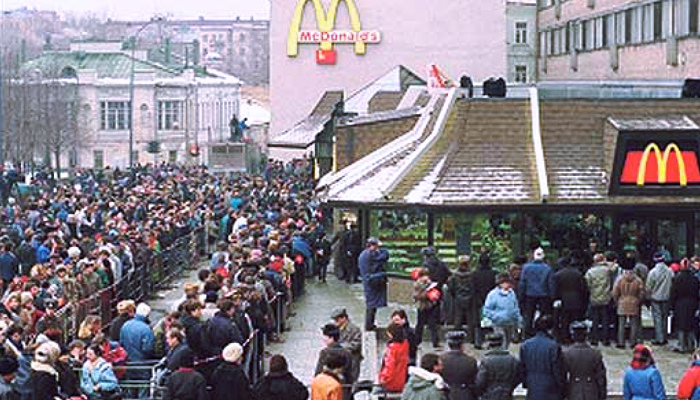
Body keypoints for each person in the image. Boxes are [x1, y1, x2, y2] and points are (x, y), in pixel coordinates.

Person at [519, 315, 566, 400]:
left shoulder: (525, 345)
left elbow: (522, 368)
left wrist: (526, 383)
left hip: (532, 386)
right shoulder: (554, 346)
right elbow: (558, 371)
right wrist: (562, 387)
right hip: (551, 389)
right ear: (550, 329)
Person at [562, 322, 606, 400]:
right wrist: (602, 394)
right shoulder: (595, 353)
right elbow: (601, 377)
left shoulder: (567, 353)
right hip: (592, 391)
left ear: (573, 336)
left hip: (573, 391)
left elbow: (562, 376)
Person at [552, 253, 588, 343]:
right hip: (576, 300)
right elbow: (583, 288)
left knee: (564, 320)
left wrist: (556, 299)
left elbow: (555, 289)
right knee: (574, 320)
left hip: (563, 300)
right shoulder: (578, 274)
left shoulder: (558, 275)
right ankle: (575, 337)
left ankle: (564, 337)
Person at [518, 247, 554, 338]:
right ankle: (542, 332)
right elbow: (550, 284)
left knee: (529, 316)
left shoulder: (526, 268)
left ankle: (527, 335)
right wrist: (552, 297)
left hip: (529, 294)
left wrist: (521, 296)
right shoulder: (547, 269)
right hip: (543, 295)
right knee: (543, 316)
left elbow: (523, 282)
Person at [474, 333, 521, 400]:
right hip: (506, 393)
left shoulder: (486, 361)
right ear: (502, 342)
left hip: (489, 394)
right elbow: (518, 377)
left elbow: (480, 382)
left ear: (489, 344)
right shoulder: (512, 359)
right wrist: (510, 387)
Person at [357, 237, 389, 331]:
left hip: (372, 283)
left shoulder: (369, 254)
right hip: (371, 284)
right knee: (371, 305)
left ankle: (370, 324)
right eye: (376, 246)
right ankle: (369, 324)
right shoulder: (368, 256)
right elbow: (368, 274)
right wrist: (382, 275)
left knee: (372, 305)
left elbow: (384, 254)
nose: (378, 248)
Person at [613, 258, 646, 348]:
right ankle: (633, 342)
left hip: (622, 301)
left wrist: (617, 301)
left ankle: (621, 342)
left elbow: (615, 292)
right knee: (634, 324)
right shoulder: (638, 280)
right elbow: (642, 292)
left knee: (621, 324)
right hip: (634, 301)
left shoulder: (620, 279)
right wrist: (638, 300)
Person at [482, 273, 521, 349]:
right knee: (501, 340)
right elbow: (486, 310)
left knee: (508, 342)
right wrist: (496, 317)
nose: (507, 284)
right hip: (498, 323)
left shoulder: (511, 293)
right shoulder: (493, 295)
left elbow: (515, 306)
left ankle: (505, 352)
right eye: (505, 282)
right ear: (500, 283)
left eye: (508, 282)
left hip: (510, 322)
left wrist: (518, 319)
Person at [671, 258, 700, 353]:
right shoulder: (694, 278)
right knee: (691, 324)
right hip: (692, 303)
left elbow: (674, 292)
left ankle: (682, 345)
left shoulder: (678, 278)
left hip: (680, 304)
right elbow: (697, 292)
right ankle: (691, 345)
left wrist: (672, 305)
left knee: (681, 325)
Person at [585, 253, 613, 346]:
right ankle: (605, 339)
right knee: (605, 319)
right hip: (605, 297)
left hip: (594, 297)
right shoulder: (608, 270)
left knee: (595, 319)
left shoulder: (590, 272)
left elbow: (587, 284)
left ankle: (594, 339)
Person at [440, 331, 477, 400]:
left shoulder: (441, 360)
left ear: (449, 345)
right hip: (465, 394)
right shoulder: (471, 361)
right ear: (462, 345)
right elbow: (475, 381)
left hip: (446, 394)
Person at [646, 251, 672, 346]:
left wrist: (648, 296)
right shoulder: (669, 271)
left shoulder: (652, 272)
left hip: (655, 297)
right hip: (666, 297)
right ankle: (664, 337)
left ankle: (659, 338)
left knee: (657, 318)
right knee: (665, 317)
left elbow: (649, 286)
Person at [331, 308, 362, 386]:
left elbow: (356, 344)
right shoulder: (335, 329)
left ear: (344, 318)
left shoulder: (355, 329)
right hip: (339, 363)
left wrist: (341, 347)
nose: (335, 322)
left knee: (350, 384)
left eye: (337, 319)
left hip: (352, 362)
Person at [448, 256, 476, 342]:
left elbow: (451, 287)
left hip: (458, 298)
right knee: (470, 319)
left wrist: (455, 295)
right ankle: (471, 338)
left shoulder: (455, 275)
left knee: (458, 319)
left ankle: (456, 338)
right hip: (469, 298)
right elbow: (474, 286)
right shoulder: (472, 275)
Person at [413, 268, 442, 349]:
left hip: (430, 305)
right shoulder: (418, 284)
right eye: (425, 276)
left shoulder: (430, 283)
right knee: (420, 325)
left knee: (433, 324)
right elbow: (416, 296)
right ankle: (416, 341)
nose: (427, 277)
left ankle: (435, 342)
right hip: (422, 306)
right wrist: (427, 294)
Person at [378, 322, 410, 393]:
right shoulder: (405, 344)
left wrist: (383, 379)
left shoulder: (392, 348)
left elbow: (389, 366)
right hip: (401, 380)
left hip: (390, 383)